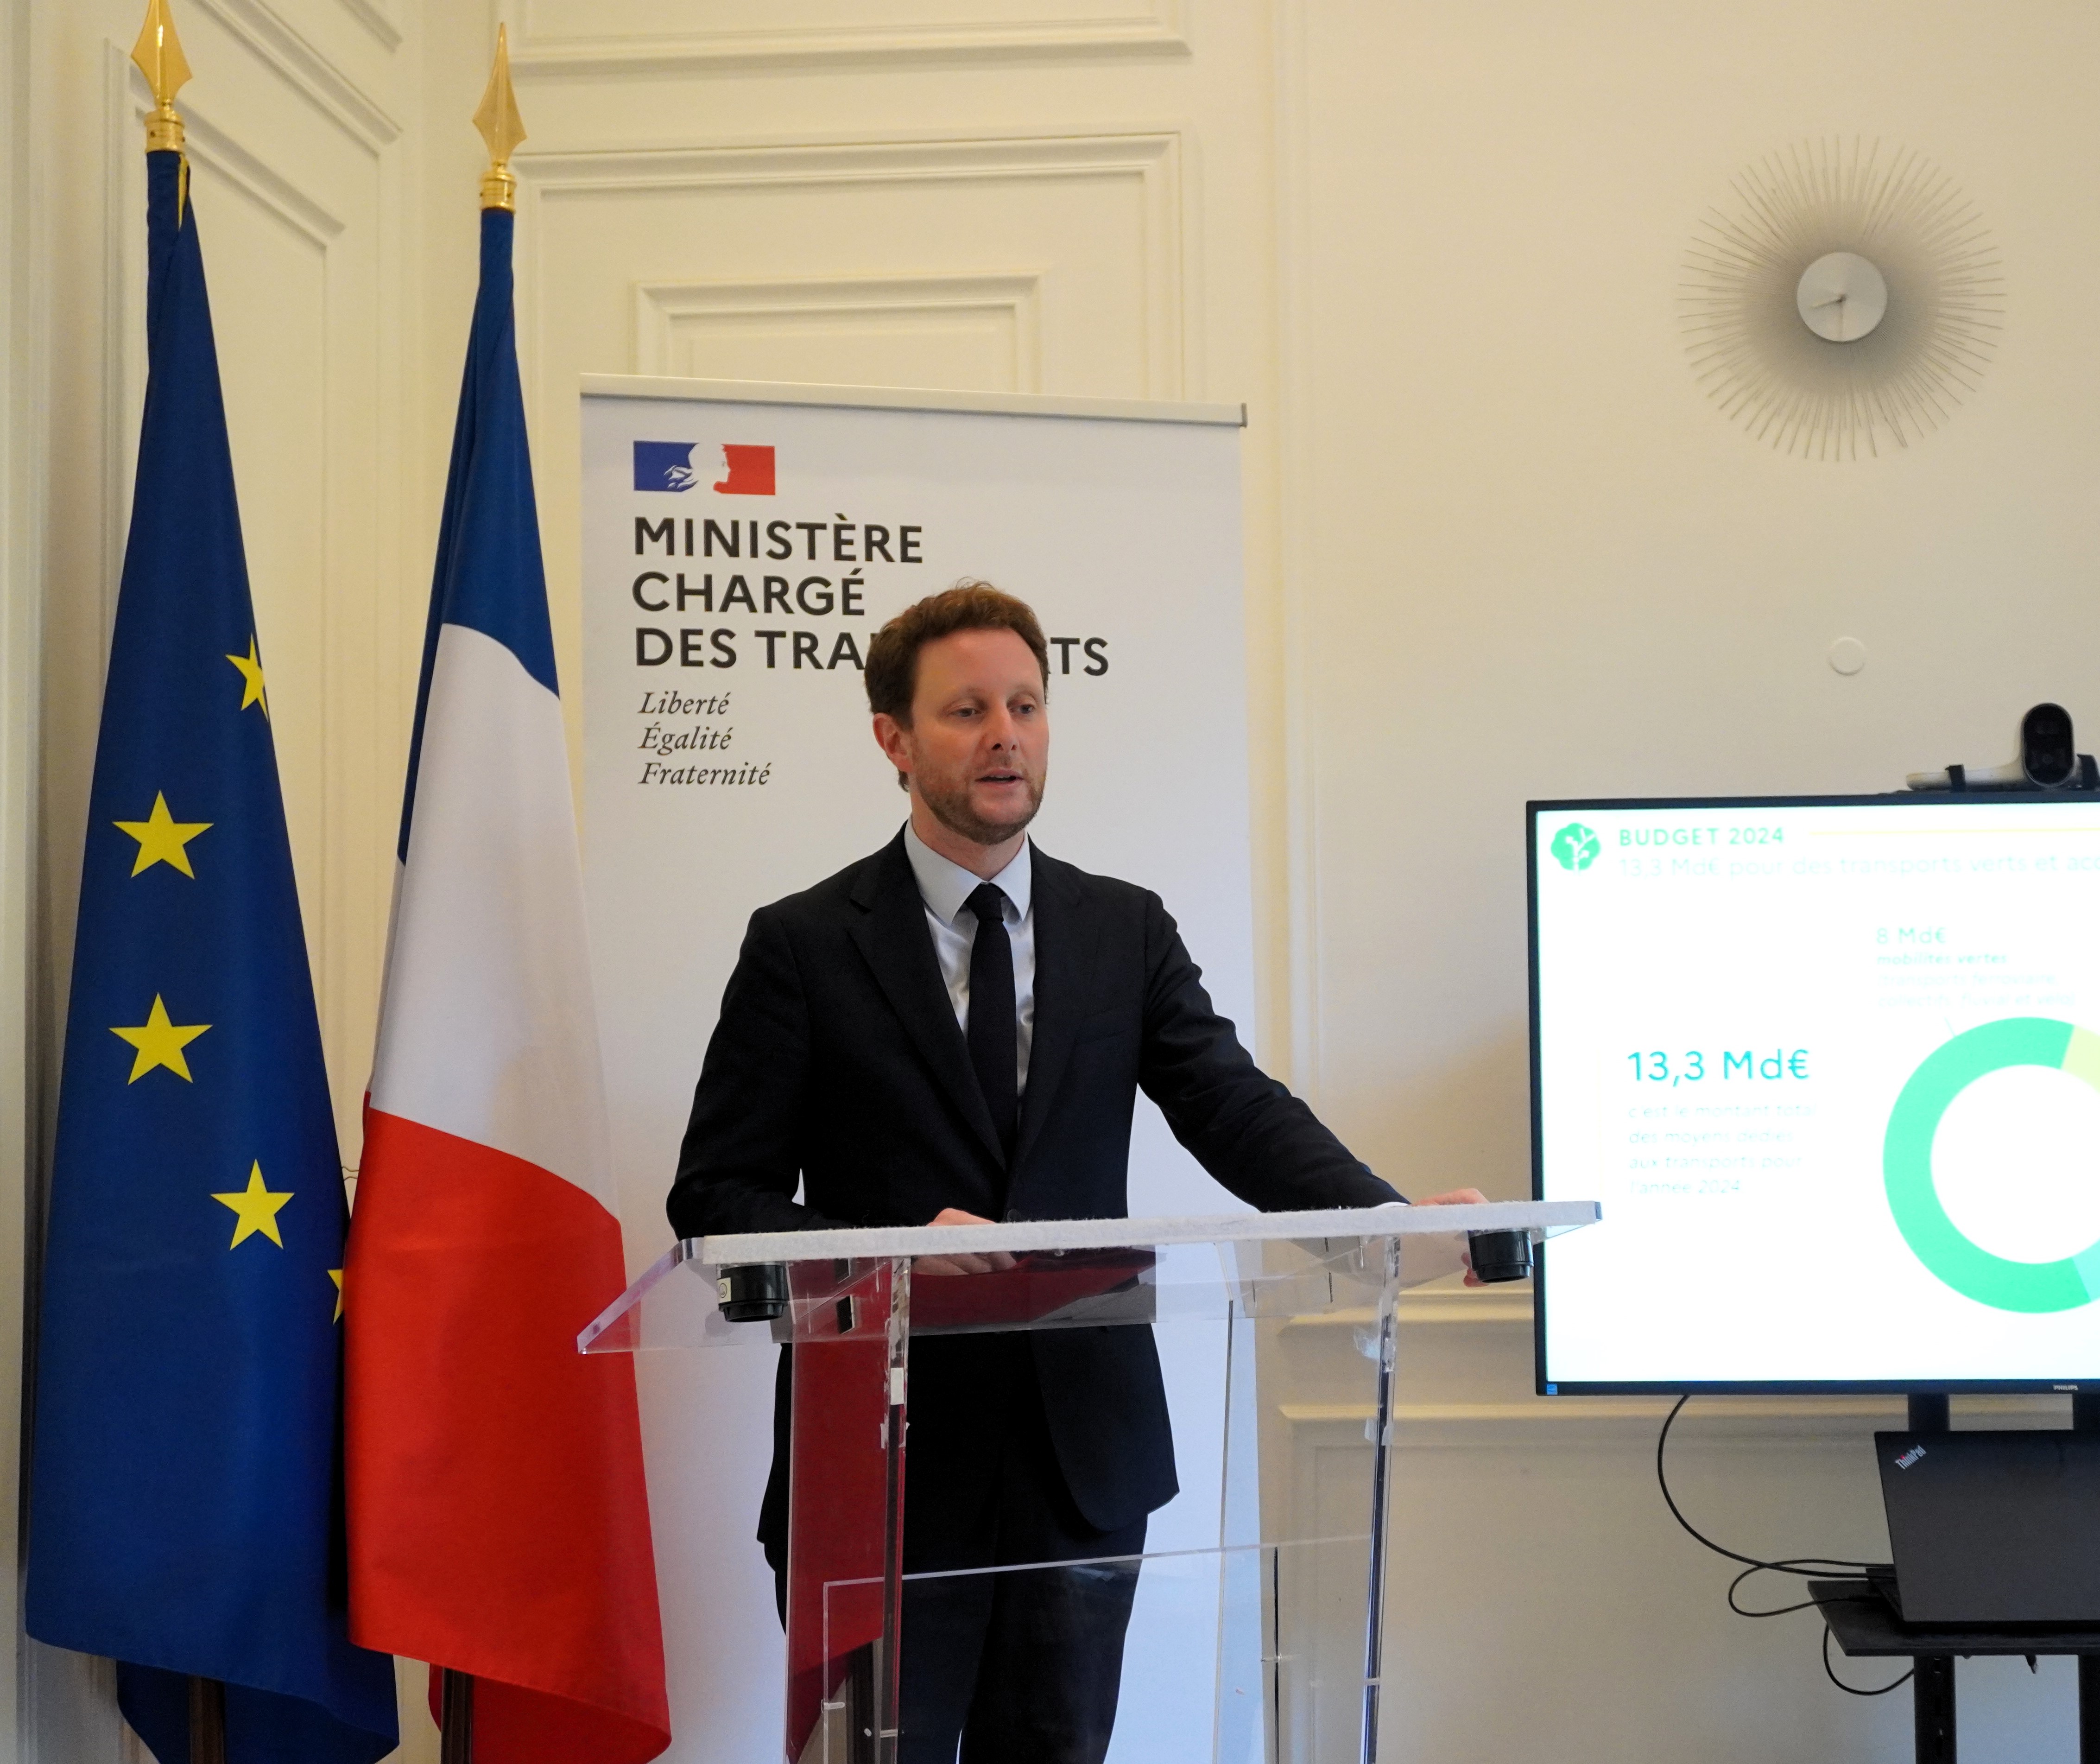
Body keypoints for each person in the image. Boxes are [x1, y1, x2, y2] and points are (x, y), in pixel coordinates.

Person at [668, 582, 1483, 1764]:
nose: (1005, 734)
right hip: (880, 1471)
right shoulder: (801, 944)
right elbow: (715, 1197)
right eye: (966, 711)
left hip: (1080, 1467)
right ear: (893, 739)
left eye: (1026, 705)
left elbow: (1233, 1108)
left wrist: (1380, 1219)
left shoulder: (1123, 929)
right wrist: (890, 1244)